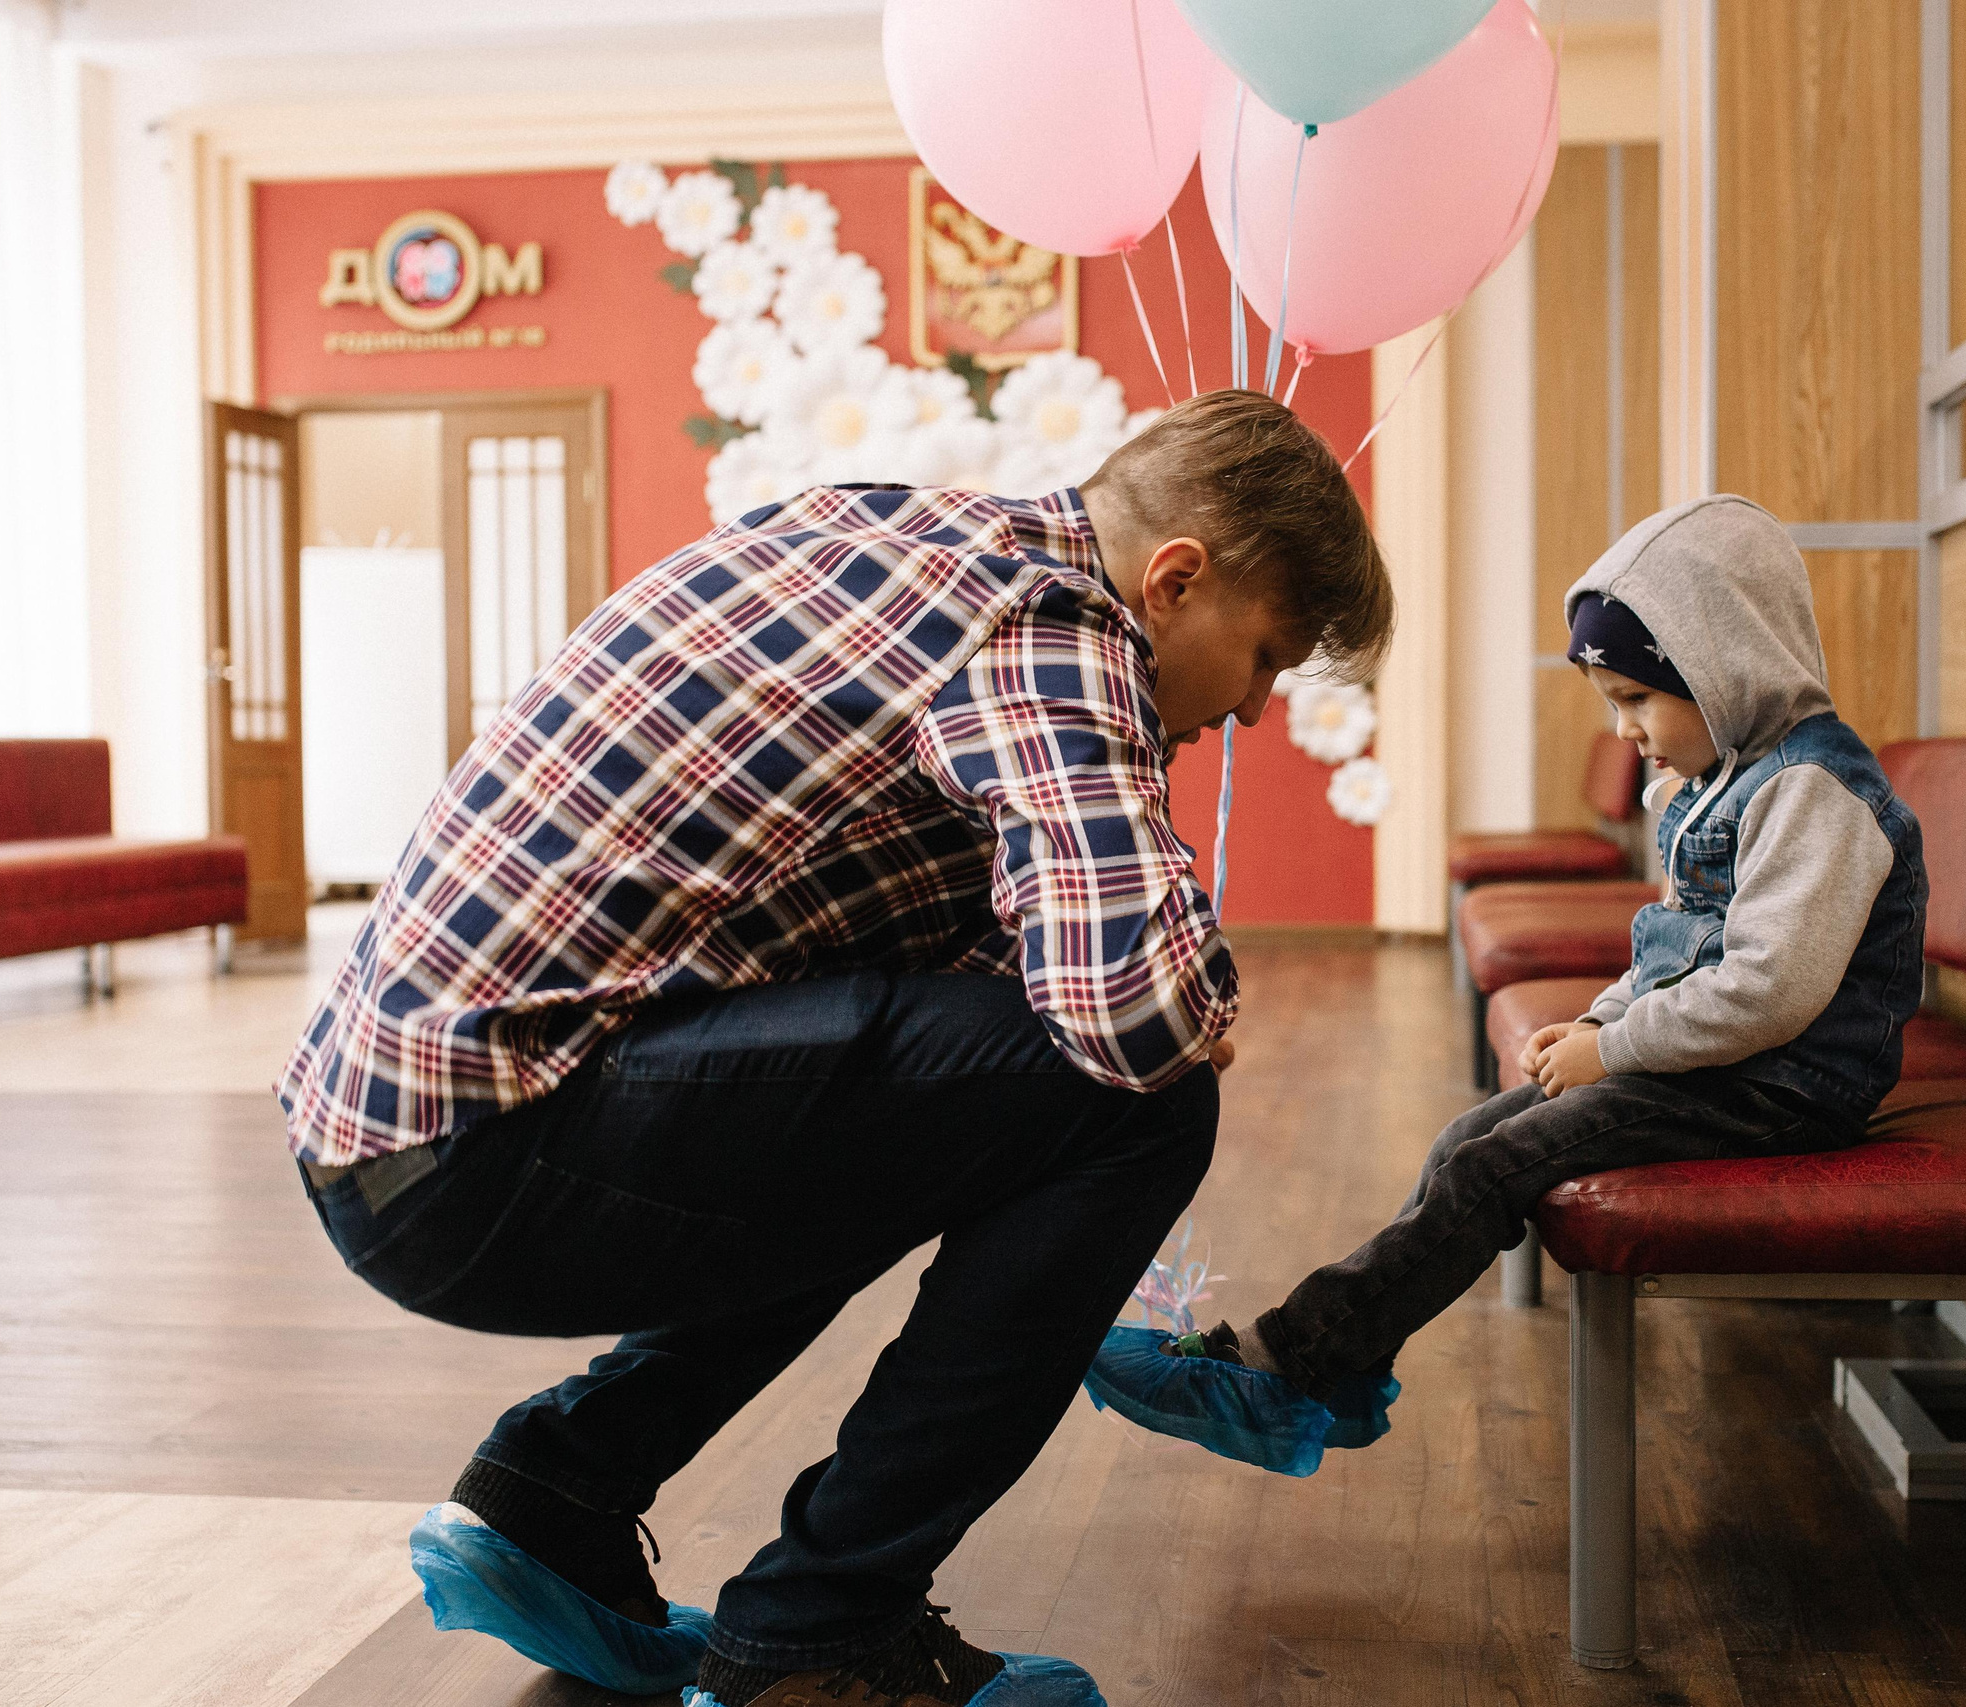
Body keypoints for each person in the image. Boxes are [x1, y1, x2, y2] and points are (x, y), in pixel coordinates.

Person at [277, 389, 1393, 1707]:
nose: (1257, 709)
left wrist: (1119, 1304)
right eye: (1264, 656)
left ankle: (555, 1496)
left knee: (933, 1116)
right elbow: (1135, 1018)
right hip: (481, 1148)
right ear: (1177, 579)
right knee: (1143, 1110)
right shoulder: (1046, 630)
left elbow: (981, 1024)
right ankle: (821, 1628)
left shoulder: (897, 533)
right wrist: (1194, 976)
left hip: (402, 1128)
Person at [1104, 493, 1926, 1458]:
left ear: (1723, 663)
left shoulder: (1813, 793)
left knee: (1494, 1164)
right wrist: (1597, 1020)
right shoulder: (1722, 780)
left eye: (1637, 699)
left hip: (1786, 1086)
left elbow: (1769, 990)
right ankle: (1340, 1355)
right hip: (1732, 1066)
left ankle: (1288, 1362)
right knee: (1470, 1136)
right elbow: (1680, 945)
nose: (1625, 731)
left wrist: (1613, 1047)